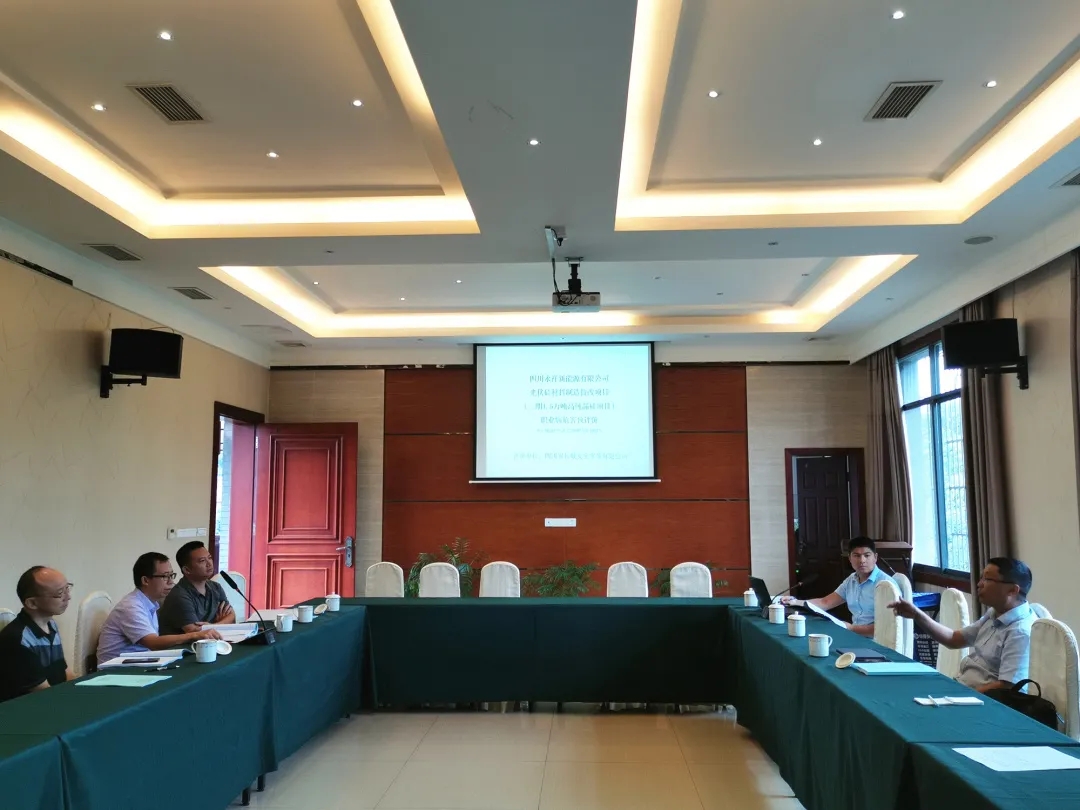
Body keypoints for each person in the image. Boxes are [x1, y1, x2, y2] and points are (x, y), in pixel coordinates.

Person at [890, 557, 1035, 693]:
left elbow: (1008, 686)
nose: (979, 584)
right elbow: (954, 639)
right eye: (981, 578)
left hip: (979, 700)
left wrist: (960, 695)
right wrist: (917, 615)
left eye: (987, 579)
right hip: (961, 687)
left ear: (1012, 590)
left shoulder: (1020, 631)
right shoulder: (994, 614)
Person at [96, 552, 222, 664]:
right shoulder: (131, 606)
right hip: (116, 670)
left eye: (172, 575)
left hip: (139, 662)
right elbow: (153, 643)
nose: (171, 582)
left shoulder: (150, 603)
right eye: (165, 576)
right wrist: (193, 635)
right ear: (145, 580)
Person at [781, 537, 894, 637]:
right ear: (849, 558)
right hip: (855, 636)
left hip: (878, 642)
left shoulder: (886, 584)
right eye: (857, 556)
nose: (862, 560)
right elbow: (825, 602)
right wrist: (796, 602)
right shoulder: (852, 579)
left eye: (867, 555)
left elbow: (888, 626)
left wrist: (852, 629)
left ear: (875, 557)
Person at [0, 567, 75, 701]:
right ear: (32, 603)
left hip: (54, 698)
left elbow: (65, 671)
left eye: (67, 588)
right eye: (60, 593)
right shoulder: (18, 639)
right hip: (29, 706)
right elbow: (42, 692)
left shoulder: (51, 624)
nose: (68, 597)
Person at [158, 541, 235, 635]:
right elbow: (194, 631)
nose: (209, 564)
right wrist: (221, 624)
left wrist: (214, 626)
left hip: (213, 640)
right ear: (187, 570)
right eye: (202, 561)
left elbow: (232, 615)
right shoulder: (179, 595)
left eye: (209, 558)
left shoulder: (216, 587)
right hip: (187, 644)